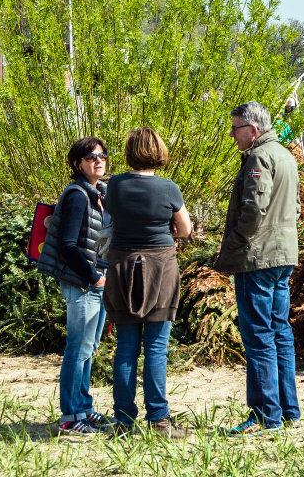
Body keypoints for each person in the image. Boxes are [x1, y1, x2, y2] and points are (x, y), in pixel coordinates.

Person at [214, 101, 301, 435]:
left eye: (235, 128)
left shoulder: (258, 157)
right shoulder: (285, 154)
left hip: (258, 258)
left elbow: (253, 210)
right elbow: (293, 206)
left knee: (259, 336)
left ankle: (266, 414)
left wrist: (234, 242)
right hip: (282, 256)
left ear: (252, 130)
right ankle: (287, 410)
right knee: (279, 333)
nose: (232, 134)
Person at [104, 127, 193, 438]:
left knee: (126, 347)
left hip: (121, 267)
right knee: (156, 347)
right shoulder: (169, 188)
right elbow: (184, 230)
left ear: (130, 152)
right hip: (159, 266)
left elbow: (112, 216)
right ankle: (159, 420)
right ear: (159, 152)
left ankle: (123, 422)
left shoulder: (114, 185)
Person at [40, 136, 113, 436]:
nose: (98, 160)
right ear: (77, 164)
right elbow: (69, 246)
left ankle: (84, 407)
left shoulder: (101, 193)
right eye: (90, 157)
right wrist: (94, 276)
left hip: (96, 282)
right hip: (81, 284)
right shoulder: (76, 196)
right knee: (77, 349)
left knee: (89, 348)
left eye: (102, 156)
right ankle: (69, 416)